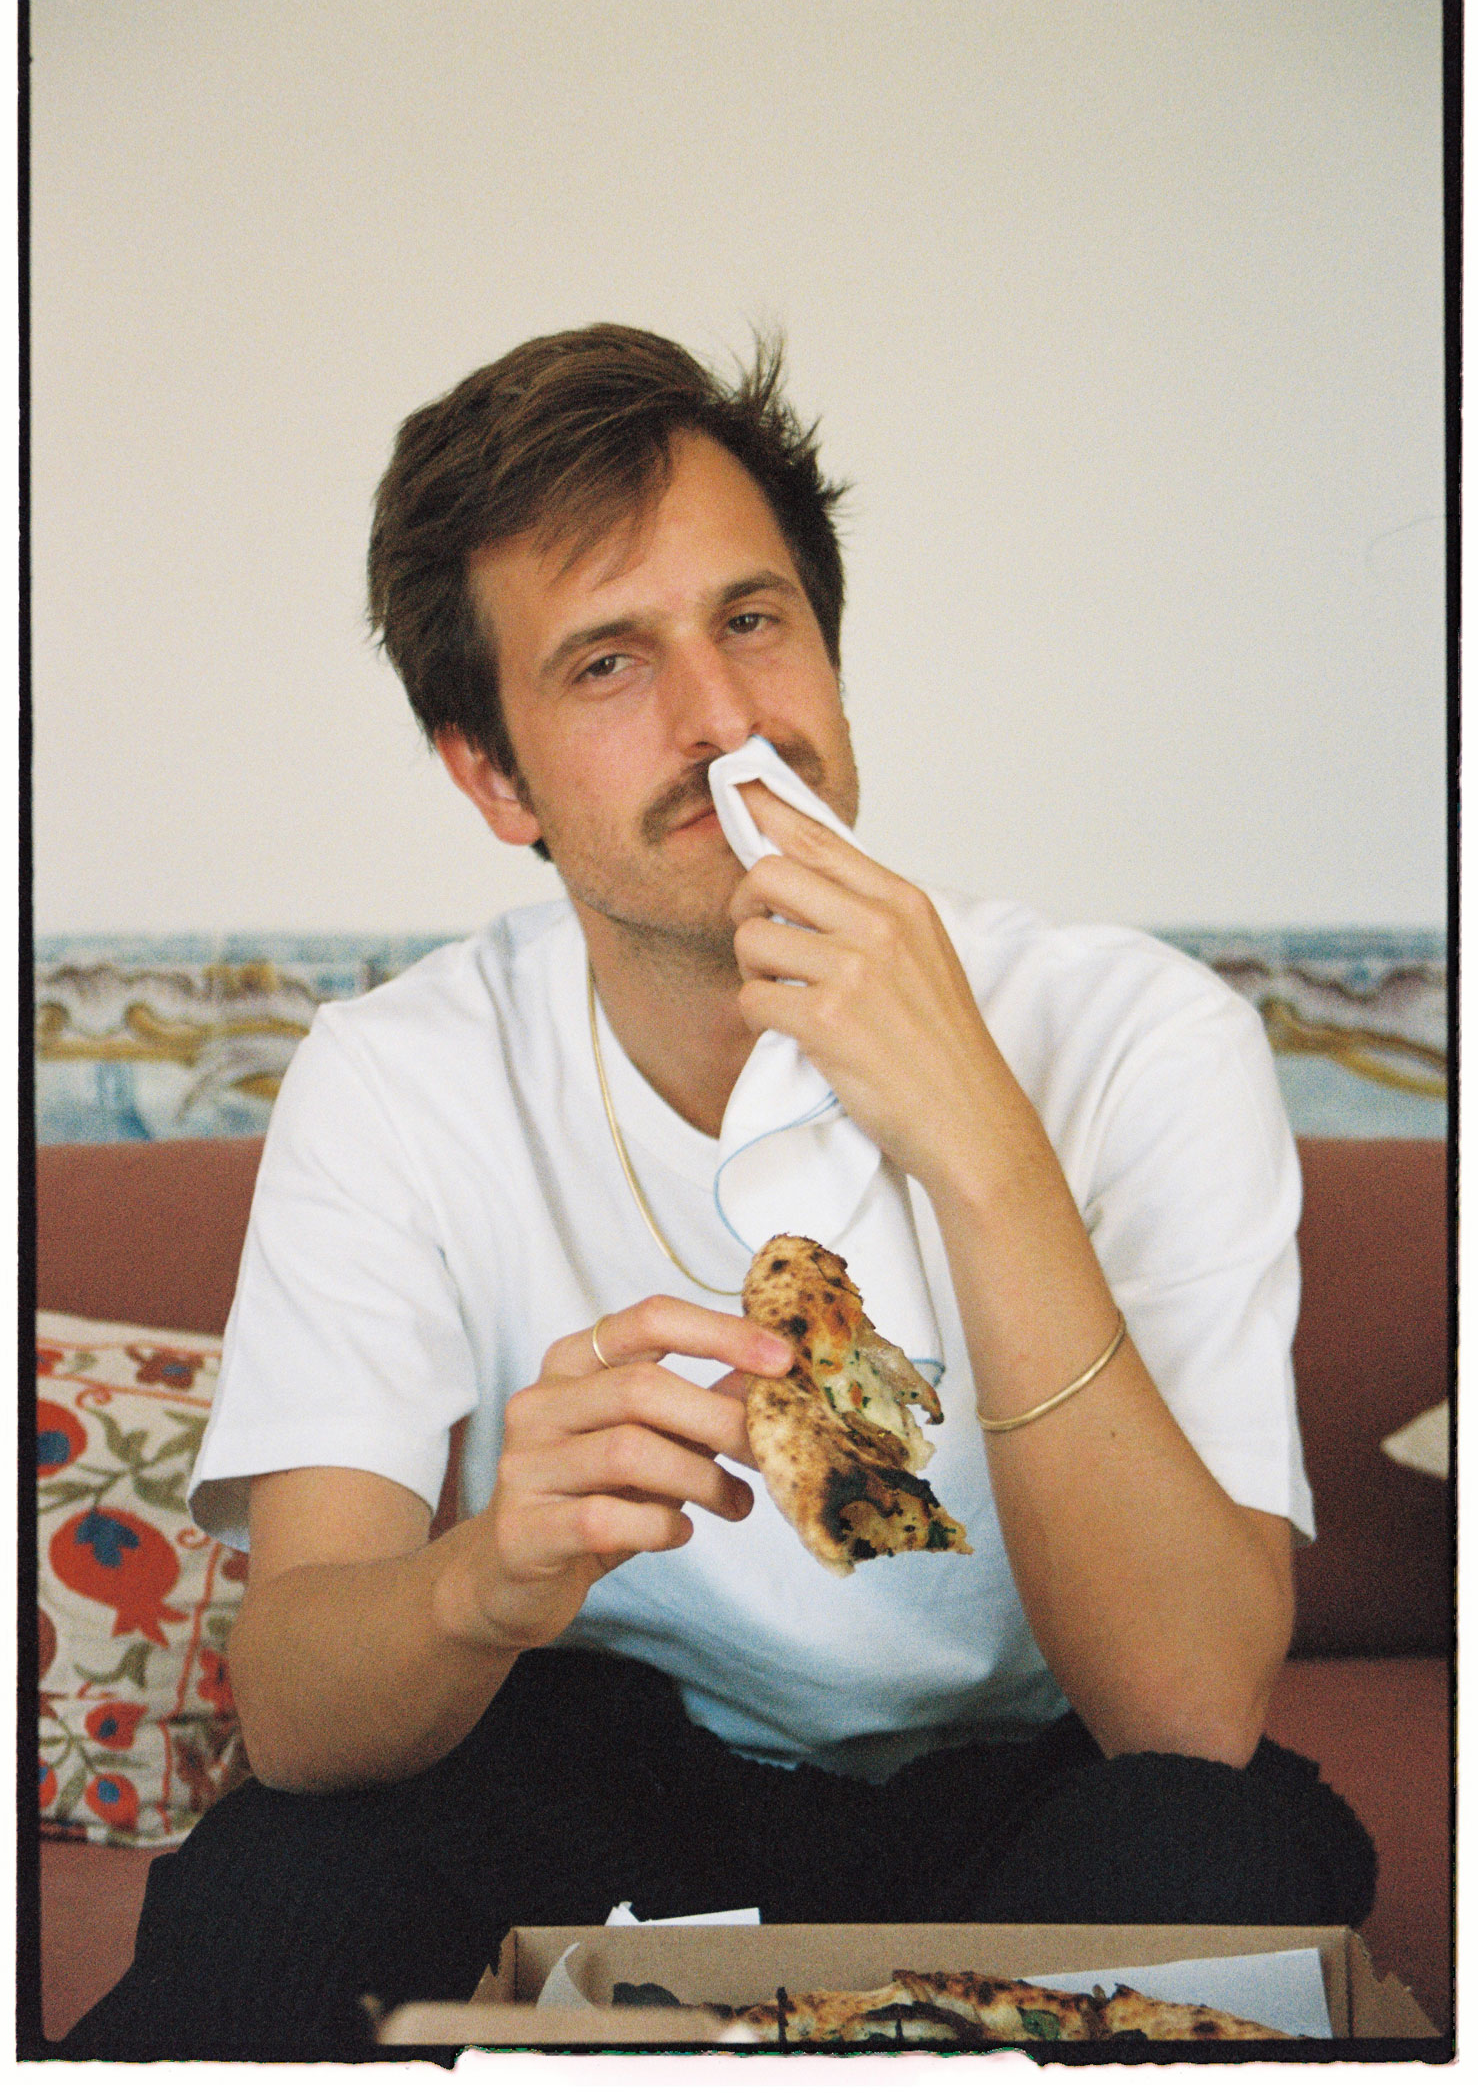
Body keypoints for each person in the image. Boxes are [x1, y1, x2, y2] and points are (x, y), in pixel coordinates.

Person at [59, 326, 1374, 2062]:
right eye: (608, 663)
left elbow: (1186, 1711)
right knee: (278, 1882)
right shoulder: (395, 1073)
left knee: (1218, 1861)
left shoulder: (1140, 1032)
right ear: (493, 776)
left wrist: (979, 1139)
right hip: (597, 1764)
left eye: (751, 621)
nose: (726, 719)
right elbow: (297, 1710)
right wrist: (482, 1579)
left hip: (1040, 1781)